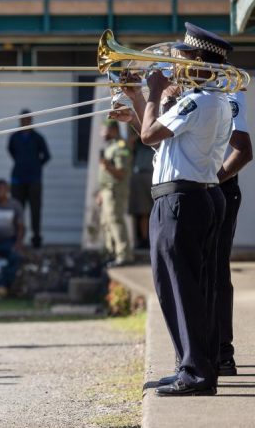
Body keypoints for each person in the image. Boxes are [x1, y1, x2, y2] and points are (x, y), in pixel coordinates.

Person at [119, 23, 233, 396]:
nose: (175, 65)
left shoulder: (196, 100)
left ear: (199, 61)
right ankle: (192, 364)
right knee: (187, 287)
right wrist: (138, 100)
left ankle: (197, 373)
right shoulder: (212, 99)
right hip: (195, 194)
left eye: (182, 58)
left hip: (181, 200)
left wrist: (152, 94)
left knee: (180, 288)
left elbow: (151, 135)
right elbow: (160, 145)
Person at [215, 68, 252, 377]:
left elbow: (243, 151)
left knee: (214, 270)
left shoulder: (227, 90)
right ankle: (198, 351)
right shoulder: (186, 94)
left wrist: (212, 180)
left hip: (217, 188)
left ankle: (222, 352)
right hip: (193, 187)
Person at [7, 111, 50, 248]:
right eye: (23, 120)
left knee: (35, 209)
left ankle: (36, 238)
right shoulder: (14, 137)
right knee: (17, 209)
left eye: (28, 120)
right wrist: (21, 162)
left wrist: (36, 165)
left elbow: (47, 155)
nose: (25, 122)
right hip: (18, 178)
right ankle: (16, 238)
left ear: (31, 121)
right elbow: (11, 151)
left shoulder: (37, 138)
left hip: (34, 179)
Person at [96, 120, 133, 266]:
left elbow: (121, 173)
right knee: (106, 222)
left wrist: (107, 166)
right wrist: (100, 192)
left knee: (116, 220)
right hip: (106, 190)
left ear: (112, 129)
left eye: (103, 130)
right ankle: (111, 252)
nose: (101, 134)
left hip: (115, 190)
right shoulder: (110, 146)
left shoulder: (120, 146)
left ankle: (124, 255)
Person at [127, 133, 154, 249]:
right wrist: (140, 133)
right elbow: (129, 144)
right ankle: (144, 239)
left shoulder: (156, 136)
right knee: (143, 210)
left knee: (155, 210)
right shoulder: (138, 142)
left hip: (153, 174)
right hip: (140, 174)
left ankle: (152, 237)